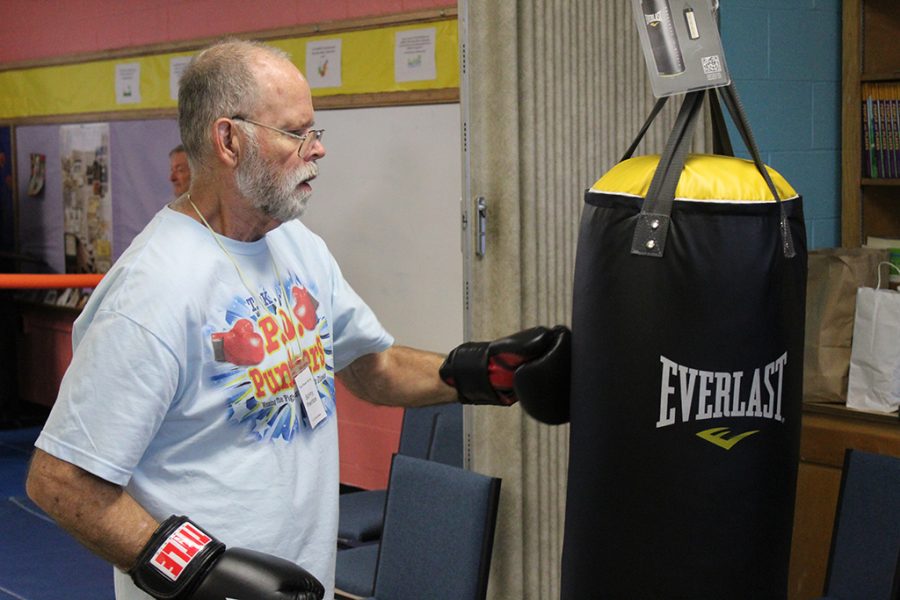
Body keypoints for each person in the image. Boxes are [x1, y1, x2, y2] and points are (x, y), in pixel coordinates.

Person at [25, 39, 567, 600]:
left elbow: (369, 364)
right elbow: (62, 481)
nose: (317, 150)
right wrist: (202, 571)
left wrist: (483, 373)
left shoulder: (297, 247)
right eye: (295, 132)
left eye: (316, 131)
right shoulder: (152, 291)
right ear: (229, 140)